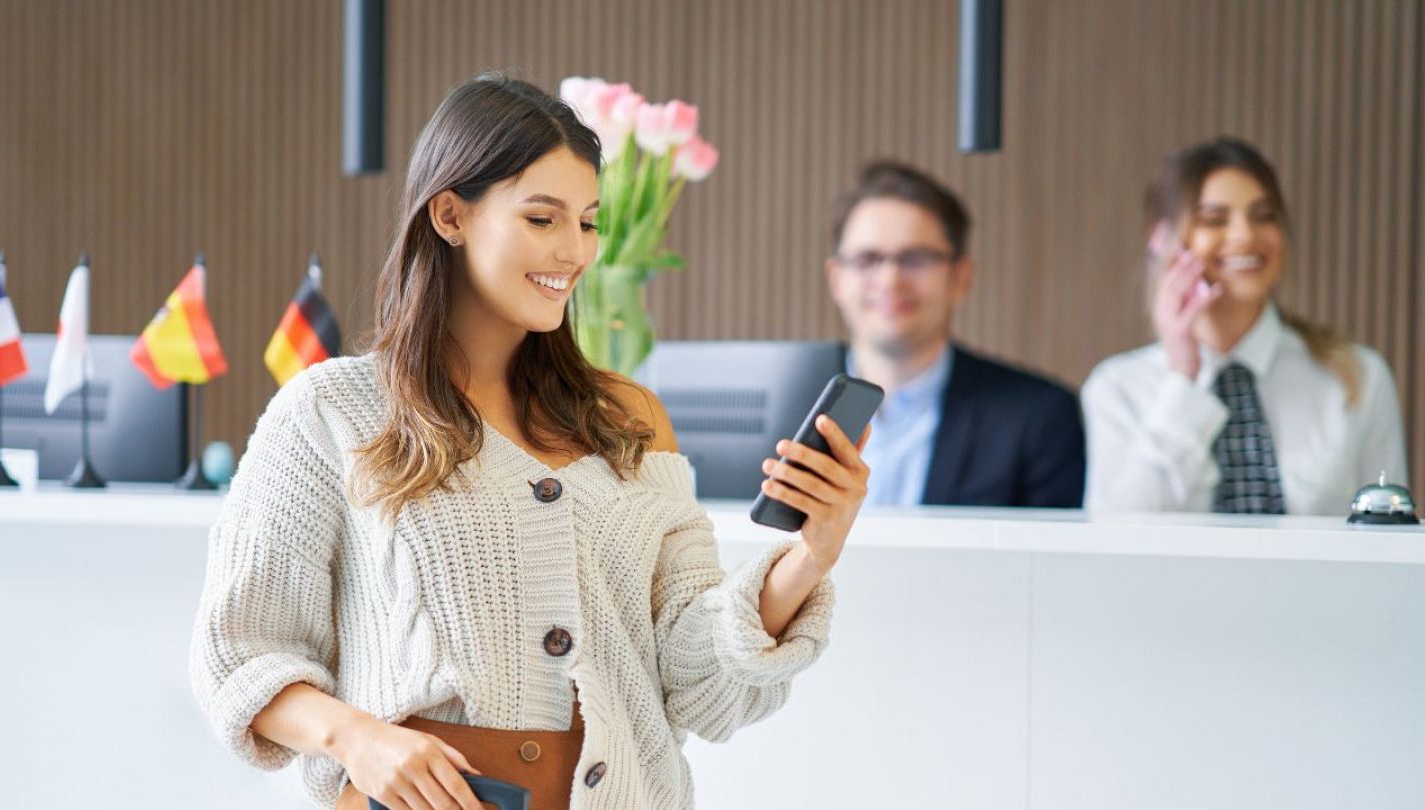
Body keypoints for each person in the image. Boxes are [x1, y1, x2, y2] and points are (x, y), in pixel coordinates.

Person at [188, 75, 872, 810]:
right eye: (542, 219)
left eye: (587, 221)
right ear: (451, 215)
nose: (573, 251)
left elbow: (694, 679)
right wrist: (358, 738)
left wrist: (811, 556)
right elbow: (240, 654)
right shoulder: (331, 412)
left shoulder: (628, 419)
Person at [1082, 136, 1407, 514]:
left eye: (1263, 215)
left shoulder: (1357, 377)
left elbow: (1389, 541)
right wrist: (1183, 378)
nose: (1244, 236)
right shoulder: (1118, 389)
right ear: (1162, 240)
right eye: (1214, 219)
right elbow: (1117, 538)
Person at [825, 160, 1085, 508]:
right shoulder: (786, 407)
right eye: (868, 259)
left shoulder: (1038, 417)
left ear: (960, 277)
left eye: (915, 258)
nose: (890, 280)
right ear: (836, 278)